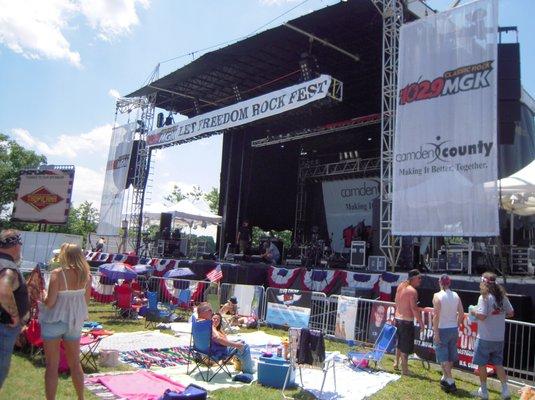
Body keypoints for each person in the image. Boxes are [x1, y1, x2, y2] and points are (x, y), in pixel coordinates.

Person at [39, 243, 92, 400]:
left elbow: (50, 302)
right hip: (74, 322)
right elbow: (86, 302)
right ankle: (81, 398)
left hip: (54, 320)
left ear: (65, 255)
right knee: (75, 364)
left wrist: (42, 294)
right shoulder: (86, 276)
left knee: (52, 366)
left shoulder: (57, 274)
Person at [470, 272, 514, 400]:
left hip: (484, 337)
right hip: (499, 337)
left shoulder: (484, 297)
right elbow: (511, 313)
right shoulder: (502, 297)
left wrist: (473, 311)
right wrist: (499, 315)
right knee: (498, 364)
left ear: (484, 283)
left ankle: (483, 391)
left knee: (482, 364)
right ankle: (505, 391)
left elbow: (482, 316)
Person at [0, 230, 29, 389]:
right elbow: (3, 290)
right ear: (16, 246)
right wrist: (15, 317)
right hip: (3, 326)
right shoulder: (9, 267)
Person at [196, 302, 254, 374]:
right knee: (244, 346)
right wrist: (236, 345)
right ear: (205, 312)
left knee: (240, 342)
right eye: (210, 310)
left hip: (202, 350)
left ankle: (245, 364)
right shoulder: (208, 324)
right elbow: (217, 338)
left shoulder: (197, 323)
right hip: (216, 353)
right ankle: (248, 372)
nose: (212, 312)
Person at [432, 274, 464, 393]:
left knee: (443, 356)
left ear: (440, 283)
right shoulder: (456, 295)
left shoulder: (437, 296)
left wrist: (436, 332)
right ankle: (445, 378)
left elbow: (436, 316)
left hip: (442, 328)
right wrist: (456, 324)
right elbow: (461, 313)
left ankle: (450, 380)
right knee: (450, 355)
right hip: (452, 328)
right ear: (449, 283)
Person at [393, 269, 424, 375]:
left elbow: (396, 301)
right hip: (406, 321)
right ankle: (405, 370)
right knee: (405, 347)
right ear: (413, 278)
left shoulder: (400, 286)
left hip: (398, 318)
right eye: (419, 278)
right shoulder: (412, 291)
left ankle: (396, 363)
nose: (420, 280)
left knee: (399, 343)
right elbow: (414, 308)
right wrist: (421, 322)